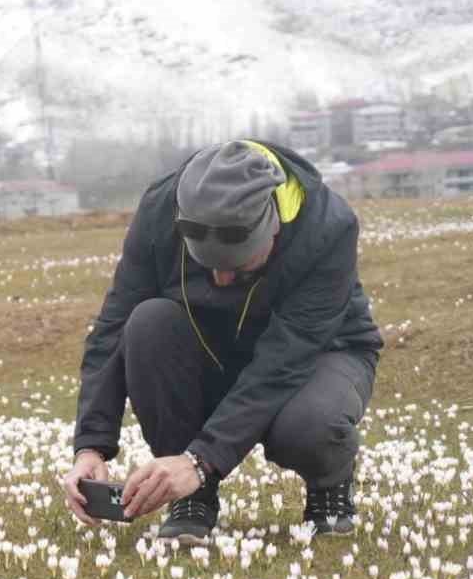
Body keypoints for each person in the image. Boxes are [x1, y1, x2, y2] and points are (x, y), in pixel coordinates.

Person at [63, 140, 382, 543]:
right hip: (214, 347)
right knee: (147, 323)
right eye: (207, 264)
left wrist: (201, 459)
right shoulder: (161, 208)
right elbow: (115, 323)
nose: (221, 280)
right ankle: (194, 497)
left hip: (320, 355)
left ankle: (329, 483)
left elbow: (284, 360)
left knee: (306, 426)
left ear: (274, 228)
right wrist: (90, 447)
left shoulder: (327, 226)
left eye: (238, 264)